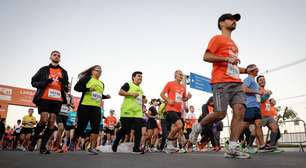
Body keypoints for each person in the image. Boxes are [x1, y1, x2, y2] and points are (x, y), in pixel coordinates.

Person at [189, 13, 250, 159]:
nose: (234, 21)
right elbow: (206, 56)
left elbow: (232, 66)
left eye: (236, 20)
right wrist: (226, 58)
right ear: (222, 23)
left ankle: (233, 147)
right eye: (231, 19)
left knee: (240, 110)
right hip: (220, 81)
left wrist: (246, 70)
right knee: (220, 114)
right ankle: (198, 126)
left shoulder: (235, 45)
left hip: (236, 82)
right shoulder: (217, 39)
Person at [30, 50, 69, 154]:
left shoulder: (64, 72)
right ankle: (34, 139)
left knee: (52, 123)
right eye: (54, 55)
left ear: (60, 58)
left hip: (57, 99)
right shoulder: (44, 69)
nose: (56, 57)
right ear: (50, 57)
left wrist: (64, 83)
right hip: (44, 98)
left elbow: (66, 88)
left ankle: (43, 146)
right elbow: (33, 82)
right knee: (43, 119)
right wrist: (45, 82)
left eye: (58, 56)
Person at [71, 65, 110, 155]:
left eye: (100, 71)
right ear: (92, 71)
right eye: (97, 70)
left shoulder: (102, 83)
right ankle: (74, 140)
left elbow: (97, 94)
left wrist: (105, 96)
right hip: (85, 106)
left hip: (96, 108)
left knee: (95, 127)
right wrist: (88, 89)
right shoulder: (86, 79)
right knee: (81, 127)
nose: (99, 72)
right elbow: (76, 88)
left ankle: (92, 148)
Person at [112, 71, 146, 154]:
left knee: (138, 130)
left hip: (137, 113)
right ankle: (116, 142)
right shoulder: (128, 84)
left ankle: (136, 148)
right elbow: (120, 92)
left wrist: (144, 102)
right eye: (138, 76)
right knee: (125, 129)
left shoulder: (141, 89)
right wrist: (130, 93)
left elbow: (143, 99)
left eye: (141, 77)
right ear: (133, 77)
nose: (140, 78)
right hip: (127, 111)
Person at [160, 70, 191, 152]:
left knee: (178, 129)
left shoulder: (183, 87)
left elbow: (183, 99)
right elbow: (162, 94)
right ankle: (168, 141)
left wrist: (188, 97)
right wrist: (167, 100)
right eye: (180, 74)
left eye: (182, 75)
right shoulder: (170, 83)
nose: (181, 76)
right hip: (170, 109)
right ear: (175, 76)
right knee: (180, 125)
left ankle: (170, 146)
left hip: (178, 110)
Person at [242, 64, 270, 153]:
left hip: (256, 107)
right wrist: (257, 91)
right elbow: (244, 89)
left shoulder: (255, 83)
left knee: (258, 125)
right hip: (250, 106)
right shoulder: (248, 79)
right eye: (255, 68)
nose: (257, 70)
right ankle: (232, 141)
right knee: (244, 125)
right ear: (250, 70)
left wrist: (266, 95)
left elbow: (259, 99)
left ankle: (262, 145)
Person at [257, 75, 280, 149]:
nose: (263, 81)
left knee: (275, 128)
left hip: (268, 115)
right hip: (260, 115)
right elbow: (261, 100)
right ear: (257, 82)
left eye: (263, 79)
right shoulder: (257, 89)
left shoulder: (265, 90)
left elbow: (266, 103)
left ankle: (271, 145)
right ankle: (249, 145)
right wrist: (267, 94)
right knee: (254, 132)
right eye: (260, 80)